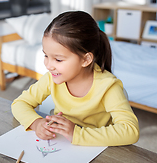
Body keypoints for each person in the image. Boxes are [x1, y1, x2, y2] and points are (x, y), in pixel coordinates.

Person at [11, 11, 139, 146]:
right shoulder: (51, 78)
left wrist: (76, 134)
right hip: (60, 144)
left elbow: (130, 131)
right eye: (46, 56)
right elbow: (19, 103)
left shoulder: (108, 86)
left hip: (96, 151)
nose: (48, 65)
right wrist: (36, 123)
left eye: (58, 59)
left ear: (86, 59)